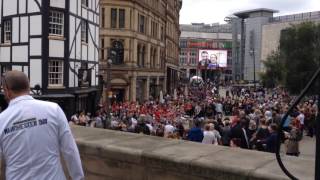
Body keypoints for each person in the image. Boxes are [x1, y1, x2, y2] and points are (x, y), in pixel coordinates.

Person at [0, 71, 84, 179]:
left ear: (7, 91)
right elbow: (70, 150)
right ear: (28, 87)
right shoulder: (54, 109)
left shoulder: (2, 120)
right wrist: (78, 177)